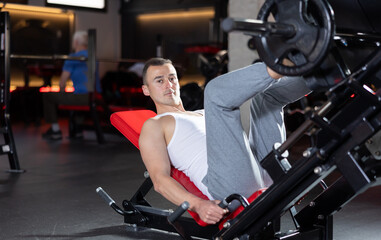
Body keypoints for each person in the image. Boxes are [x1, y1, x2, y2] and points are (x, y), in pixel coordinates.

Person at [139, 58, 310, 225]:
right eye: (159, 81)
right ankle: (281, 66)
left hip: (263, 172)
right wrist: (197, 204)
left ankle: (316, 76)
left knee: (266, 98)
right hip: (229, 188)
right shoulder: (154, 124)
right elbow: (159, 181)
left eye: (172, 78)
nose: (169, 85)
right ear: (146, 90)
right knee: (214, 92)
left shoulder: (204, 112)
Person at [42, 31, 101, 140]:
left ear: (76, 42)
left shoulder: (73, 57)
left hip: (82, 97)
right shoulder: (93, 56)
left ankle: (55, 130)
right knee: (74, 95)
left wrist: (61, 94)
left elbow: (62, 82)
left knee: (48, 95)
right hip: (96, 97)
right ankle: (78, 129)